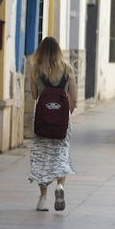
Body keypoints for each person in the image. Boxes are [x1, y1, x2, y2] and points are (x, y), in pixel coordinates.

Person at [28, 36, 77, 212]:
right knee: (61, 153)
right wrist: (65, 115)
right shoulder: (68, 69)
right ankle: (60, 186)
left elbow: (34, 95)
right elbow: (73, 98)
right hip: (63, 120)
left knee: (42, 157)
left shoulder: (36, 70)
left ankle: (43, 199)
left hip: (42, 119)